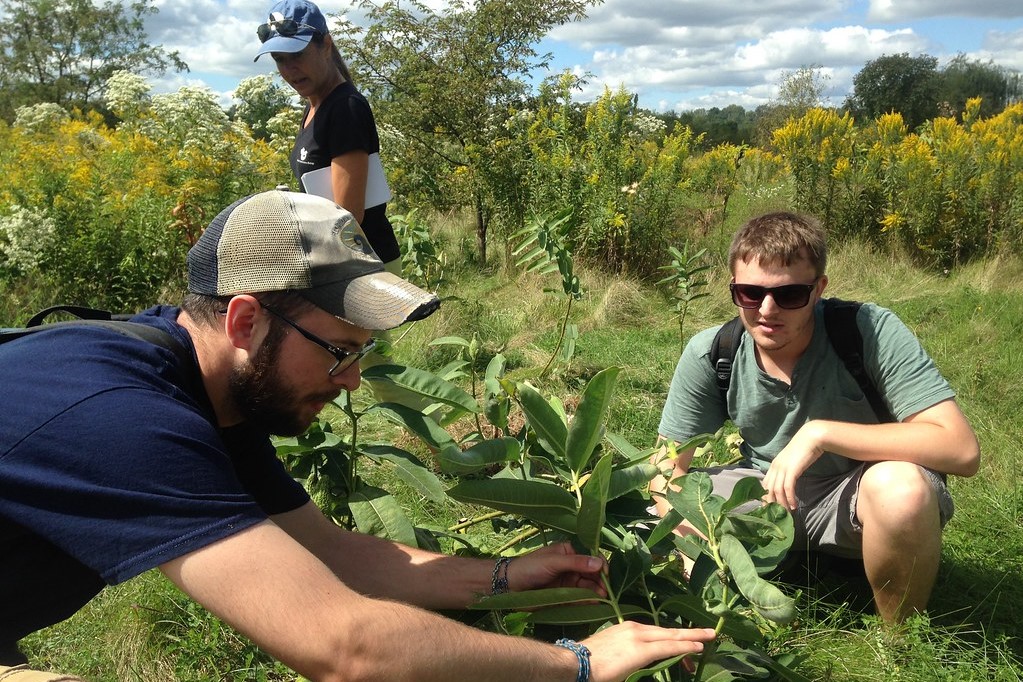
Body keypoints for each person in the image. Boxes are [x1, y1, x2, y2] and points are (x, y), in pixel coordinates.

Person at [0, 190, 714, 681]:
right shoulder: (115, 413)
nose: (351, 381)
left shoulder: (203, 385)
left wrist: (505, 577)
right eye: (341, 349)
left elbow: (330, 552)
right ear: (245, 321)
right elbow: (346, 648)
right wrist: (577, 664)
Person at [650, 211, 980, 624]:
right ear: (733, 289)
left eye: (789, 295)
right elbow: (666, 467)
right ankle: (721, 600)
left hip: (857, 493)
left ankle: (900, 644)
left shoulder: (868, 331)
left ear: (819, 288)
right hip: (766, 491)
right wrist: (688, 550)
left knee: (903, 491)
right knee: (661, 510)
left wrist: (822, 434)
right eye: (750, 294)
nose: (767, 310)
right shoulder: (714, 351)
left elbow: (961, 449)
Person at [254, 0, 402, 276]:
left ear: (326, 45)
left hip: (364, 266)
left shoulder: (345, 107)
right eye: (279, 59)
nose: (289, 69)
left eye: (296, 54)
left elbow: (347, 217)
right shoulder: (315, 107)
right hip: (339, 261)